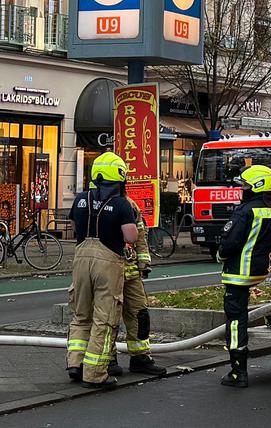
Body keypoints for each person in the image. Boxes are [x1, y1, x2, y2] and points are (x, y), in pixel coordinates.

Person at [66, 152, 137, 388]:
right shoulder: (121, 204)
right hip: (108, 262)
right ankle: (95, 373)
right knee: (104, 319)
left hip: (80, 259)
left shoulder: (80, 198)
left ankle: (75, 364)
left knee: (80, 315)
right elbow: (130, 236)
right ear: (120, 176)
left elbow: (74, 226)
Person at [217, 165, 271, 388]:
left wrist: (221, 253)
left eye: (244, 185)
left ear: (257, 186)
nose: (242, 189)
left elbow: (230, 242)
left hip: (238, 273)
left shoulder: (245, 211)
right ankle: (239, 368)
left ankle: (238, 372)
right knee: (240, 319)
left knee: (235, 323)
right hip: (259, 269)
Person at [111, 196, 167, 376]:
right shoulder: (97, 203)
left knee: (139, 314)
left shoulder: (129, 204)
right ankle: (108, 358)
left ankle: (140, 357)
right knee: (108, 317)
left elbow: (140, 233)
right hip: (109, 270)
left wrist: (144, 262)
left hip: (131, 270)